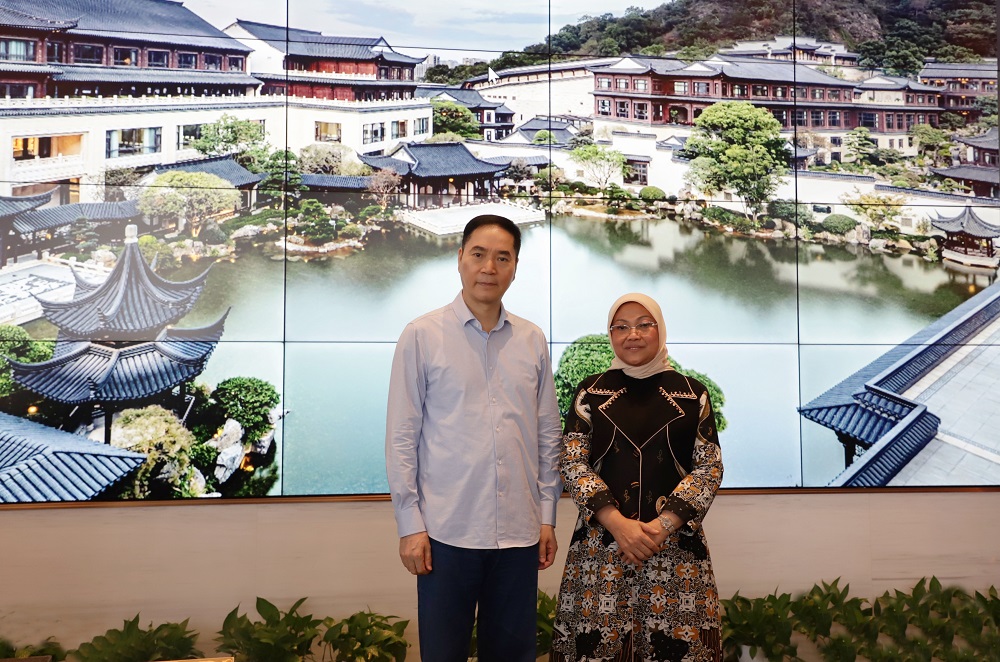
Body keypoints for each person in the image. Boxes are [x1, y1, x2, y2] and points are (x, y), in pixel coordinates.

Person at [385, 214, 563, 662]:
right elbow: (402, 437)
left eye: (502, 258)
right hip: (446, 534)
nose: (489, 267)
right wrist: (410, 525)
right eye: (479, 254)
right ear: (460, 257)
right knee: (443, 654)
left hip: (519, 534)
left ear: (515, 267)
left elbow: (547, 434)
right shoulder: (421, 335)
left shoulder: (532, 339)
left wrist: (546, 517)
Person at [550, 293, 724, 662]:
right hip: (601, 550)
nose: (633, 334)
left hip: (675, 551)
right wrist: (617, 523)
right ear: (610, 334)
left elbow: (709, 467)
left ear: (661, 330)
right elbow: (572, 461)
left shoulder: (692, 393)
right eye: (621, 326)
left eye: (645, 324)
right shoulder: (591, 392)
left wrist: (662, 526)